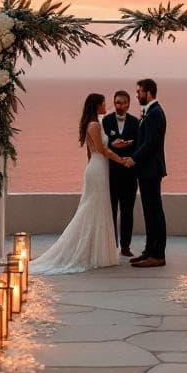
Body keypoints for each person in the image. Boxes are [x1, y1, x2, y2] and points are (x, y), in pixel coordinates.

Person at [29, 93, 134, 275]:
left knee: (99, 208)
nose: (105, 106)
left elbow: (96, 149)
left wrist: (115, 146)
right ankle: (87, 250)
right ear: (96, 106)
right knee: (91, 208)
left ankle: (99, 252)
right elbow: (102, 150)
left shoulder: (95, 124)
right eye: (103, 103)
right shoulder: (93, 125)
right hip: (98, 169)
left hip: (99, 169)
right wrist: (122, 160)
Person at [129, 78, 167, 268]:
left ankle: (158, 254)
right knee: (148, 211)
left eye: (139, 92)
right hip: (146, 170)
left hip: (151, 170)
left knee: (154, 212)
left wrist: (133, 158)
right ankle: (148, 250)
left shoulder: (155, 114)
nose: (137, 95)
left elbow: (150, 144)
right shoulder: (150, 112)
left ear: (148, 92)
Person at [103, 89, 139, 257]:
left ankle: (125, 246)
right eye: (118, 102)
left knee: (127, 211)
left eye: (124, 103)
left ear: (129, 104)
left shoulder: (135, 122)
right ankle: (111, 245)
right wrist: (113, 145)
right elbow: (101, 144)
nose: (121, 106)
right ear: (114, 103)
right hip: (110, 173)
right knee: (110, 210)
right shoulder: (106, 121)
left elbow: (139, 145)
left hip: (129, 174)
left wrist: (127, 148)